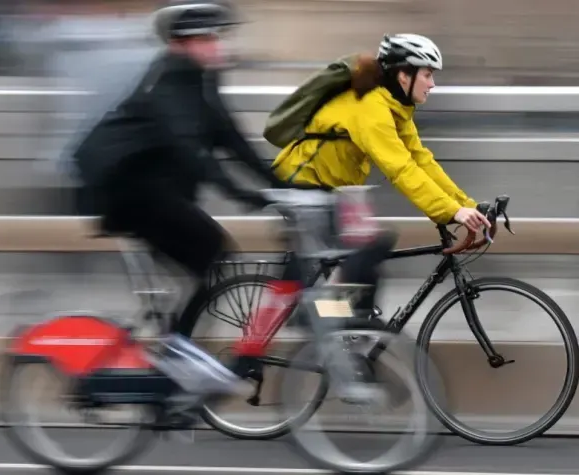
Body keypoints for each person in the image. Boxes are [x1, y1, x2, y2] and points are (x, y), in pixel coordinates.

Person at [71, 0, 293, 411]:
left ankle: (174, 364)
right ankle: (176, 358)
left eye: (216, 37)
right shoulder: (169, 80)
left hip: (154, 192)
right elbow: (192, 152)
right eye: (205, 39)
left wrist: (287, 187)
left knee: (206, 263)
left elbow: (233, 141)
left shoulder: (200, 83)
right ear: (179, 44)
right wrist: (246, 196)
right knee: (213, 249)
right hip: (128, 193)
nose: (216, 46)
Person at [270, 33, 491, 317]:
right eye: (427, 74)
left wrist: (466, 205)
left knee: (365, 274)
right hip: (303, 187)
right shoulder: (371, 109)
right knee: (368, 249)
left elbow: (421, 160)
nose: (432, 84)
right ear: (403, 75)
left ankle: (343, 330)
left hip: (331, 192)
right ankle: (314, 318)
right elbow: (400, 168)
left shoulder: (395, 107)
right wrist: (451, 211)